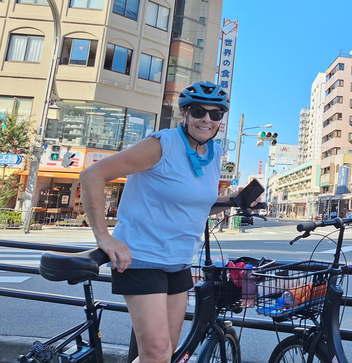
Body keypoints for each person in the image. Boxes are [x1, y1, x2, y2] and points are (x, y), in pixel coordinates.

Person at [80, 81, 242, 363]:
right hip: (141, 259)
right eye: (198, 111)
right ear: (184, 114)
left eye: (215, 114)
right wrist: (104, 237)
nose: (206, 119)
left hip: (179, 261)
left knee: (165, 353)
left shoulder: (214, 154)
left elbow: (198, 206)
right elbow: (92, 175)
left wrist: (235, 199)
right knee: (155, 352)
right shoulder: (161, 144)